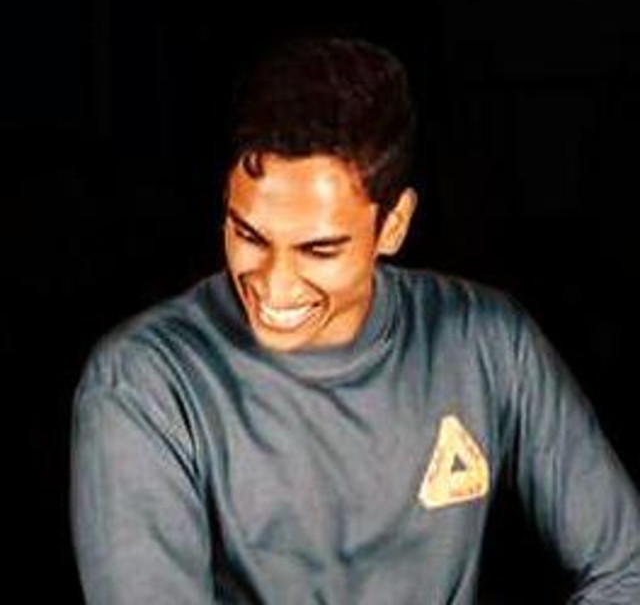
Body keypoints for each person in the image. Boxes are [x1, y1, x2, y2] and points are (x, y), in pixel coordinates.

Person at [71, 37, 640, 604]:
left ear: (393, 226)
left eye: (319, 250)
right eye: (249, 236)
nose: (275, 284)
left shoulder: (487, 342)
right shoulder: (143, 383)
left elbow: (628, 569)